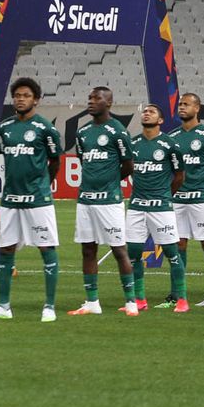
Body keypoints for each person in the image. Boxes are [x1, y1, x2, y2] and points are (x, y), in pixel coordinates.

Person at [0, 78, 63, 322]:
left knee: (46, 248)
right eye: (17, 95)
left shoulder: (46, 128)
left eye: (26, 95)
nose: (20, 99)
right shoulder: (4, 129)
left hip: (38, 200)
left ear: (35, 99)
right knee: (5, 250)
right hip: (10, 200)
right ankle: (3, 306)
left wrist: (44, 185)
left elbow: (54, 161)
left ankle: (49, 306)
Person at [68, 86, 137, 316]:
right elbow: (83, 160)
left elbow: (128, 165)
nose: (91, 101)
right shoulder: (83, 132)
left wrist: (109, 182)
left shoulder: (118, 130)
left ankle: (130, 302)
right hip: (85, 200)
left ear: (109, 102)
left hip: (110, 201)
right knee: (88, 250)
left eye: (96, 98)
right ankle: (91, 302)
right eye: (89, 98)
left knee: (119, 250)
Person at [165, 93, 204, 309]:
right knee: (178, 245)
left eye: (186, 104)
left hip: (201, 200)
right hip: (178, 200)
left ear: (197, 108)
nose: (181, 107)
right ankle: (177, 294)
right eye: (180, 104)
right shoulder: (171, 137)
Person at [125, 105, 188, 312]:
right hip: (136, 206)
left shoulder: (170, 145)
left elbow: (179, 176)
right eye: (145, 111)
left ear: (161, 120)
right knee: (133, 254)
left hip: (161, 207)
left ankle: (182, 300)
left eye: (152, 111)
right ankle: (140, 300)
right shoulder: (132, 143)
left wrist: (166, 195)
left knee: (171, 252)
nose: (147, 113)